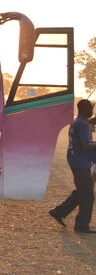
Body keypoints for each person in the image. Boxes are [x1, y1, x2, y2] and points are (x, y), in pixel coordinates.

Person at [49, 99, 96, 233]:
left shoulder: (77, 121)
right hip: (80, 161)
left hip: (76, 159)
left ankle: (59, 211)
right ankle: (82, 225)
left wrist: (92, 121)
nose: (92, 111)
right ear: (84, 110)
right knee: (87, 195)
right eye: (90, 109)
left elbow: (87, 123)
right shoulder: (82, 125)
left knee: (83, 190)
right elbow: (85, 145)